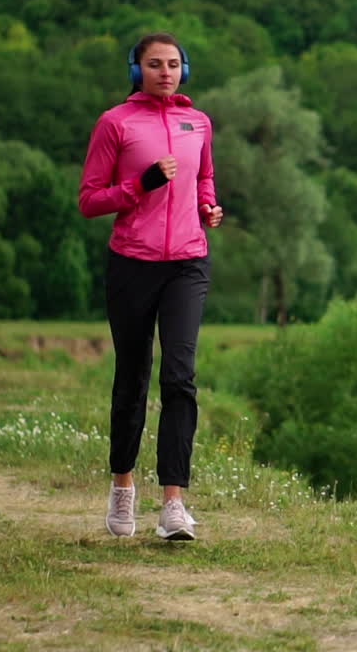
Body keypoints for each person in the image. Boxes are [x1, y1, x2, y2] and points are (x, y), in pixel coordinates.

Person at [79, 32, 223, 541]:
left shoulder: (198, 122)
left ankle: (174, 506)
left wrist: (208, 207)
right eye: (155, 64)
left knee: (180, 377)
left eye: (174, 64)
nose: (166, 72)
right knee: (133, 378)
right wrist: (140, 185)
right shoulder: (115, 123)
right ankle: (122, 488)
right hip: (132, 263)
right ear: (136, 71)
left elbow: (204, 180)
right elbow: (90, 200)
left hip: (187, 262)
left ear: (185, 69)